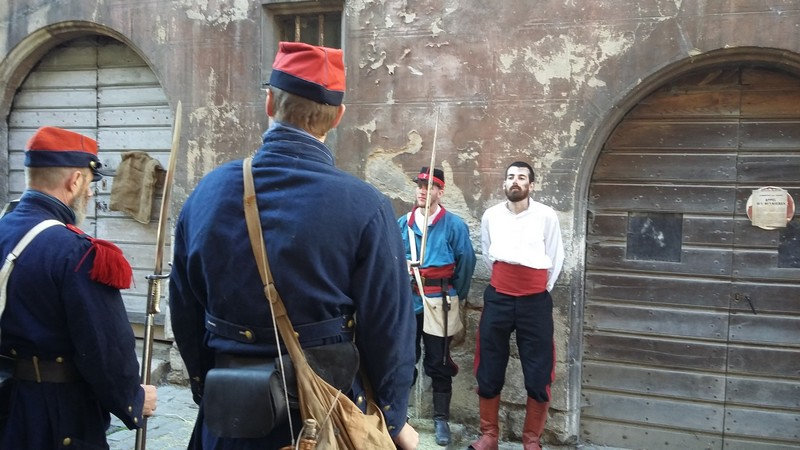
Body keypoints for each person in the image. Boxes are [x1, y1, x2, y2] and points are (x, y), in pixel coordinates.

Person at [169, 41, 419, 450]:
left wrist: (206, 390)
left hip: (229, 413)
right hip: (326, 417)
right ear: (337, 117)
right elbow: (389, 329)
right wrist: (392, 419)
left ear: (269, 102)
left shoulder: (206, 193)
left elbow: (183, 308)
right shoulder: (365, 205)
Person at [0, 126, 157, 448]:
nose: (89, 193)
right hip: (58, 416)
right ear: (74, 181)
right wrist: (133, 398)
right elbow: (105, 347)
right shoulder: (78, 252)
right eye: (89, 184)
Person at [470, 161, 565, 450]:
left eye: (522, 177)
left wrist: (536, 290)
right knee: (489, 362)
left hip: (535, 301)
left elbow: (556, 256)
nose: (515, 181)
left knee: (539, 368)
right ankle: (489, 436)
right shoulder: (491, 216)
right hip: (498, 296)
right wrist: (508, 285)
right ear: (504, 183)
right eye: (511, 177)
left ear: (531, 185)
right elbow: (489, 254)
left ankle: (531, 440)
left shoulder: (546, 216)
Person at [397, 166, 475, 446]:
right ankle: (399, 417)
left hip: (440, 302)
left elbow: (466, 264)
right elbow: (389, 260)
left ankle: (441, 418)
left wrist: (456, 295)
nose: (422, 190)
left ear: (440, 192)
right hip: (407, 302)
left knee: (439, 361)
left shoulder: (454, 226)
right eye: (419, 185)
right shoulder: (402, 224)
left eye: (429, 186)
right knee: (403, 359)